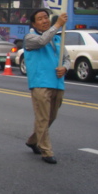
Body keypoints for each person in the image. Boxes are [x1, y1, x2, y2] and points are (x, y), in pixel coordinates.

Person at [23, 10, 70, 164]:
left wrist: (65, 67)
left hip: (57, 83)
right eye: (40, 19)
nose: (44, 21)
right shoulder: (30, 38)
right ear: (33, 24)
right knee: (43, 117)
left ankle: (32, 140)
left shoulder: (57, 38)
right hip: (40, 83)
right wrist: (57, 24)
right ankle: (46, 150)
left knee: (51, 117)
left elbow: (66, 58)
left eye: (46, 18)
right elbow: (42, 41)